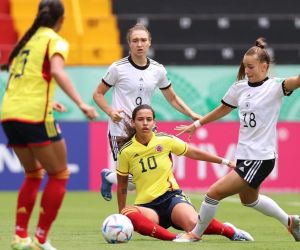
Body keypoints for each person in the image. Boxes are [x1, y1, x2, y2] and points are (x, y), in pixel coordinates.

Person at [174, 37, 300, 242]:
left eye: (251, 67)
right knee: (249, 200)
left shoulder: (277, 86)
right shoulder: (239, 87)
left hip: (260, 158)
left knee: (213, 193)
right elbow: (223, 108)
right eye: (245, 66)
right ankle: (291, 222)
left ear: (264, 66)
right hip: (245, 156)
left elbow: (298, 79)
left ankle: (194, 234)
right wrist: (197, 124)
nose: (247, 71)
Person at [0, 1, 98, 249]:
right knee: (60, 173)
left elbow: (26, 81)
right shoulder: (55, 40)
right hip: (34, 116)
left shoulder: (27, 42)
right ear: (62, 19)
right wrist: (81, 103)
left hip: (10, 114)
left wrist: (50, 100)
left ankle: (20, 236)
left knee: (33, 174)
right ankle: (40, 239)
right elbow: (57, 71)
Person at [93, 23, 201, 201]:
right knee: (132, 180)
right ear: (129, 44)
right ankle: (110, 179)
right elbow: (97, 94)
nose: (139, 44)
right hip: (120, 129)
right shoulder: (117, 68)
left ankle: (161, 206)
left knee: (150, 174)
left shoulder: (158, 70)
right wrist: (111, 112)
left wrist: (191, 113)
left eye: (143, 40)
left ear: (150, 42)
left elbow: (172, 97)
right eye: (135, 40)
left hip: (146, 127)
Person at [116, 104, 254, 241]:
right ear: (133, 123)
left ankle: (230, 231)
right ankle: (174, 238)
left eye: (149, 119)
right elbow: (122, 185)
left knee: (194, 224)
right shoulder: (126, 151)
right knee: (127, 212)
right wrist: (122, 216)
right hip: (147, 207)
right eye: (140, 119)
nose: (145, 123)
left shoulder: (165, 140)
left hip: (171, 199)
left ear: (154, 122)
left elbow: (193, 152)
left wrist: (225, 161)